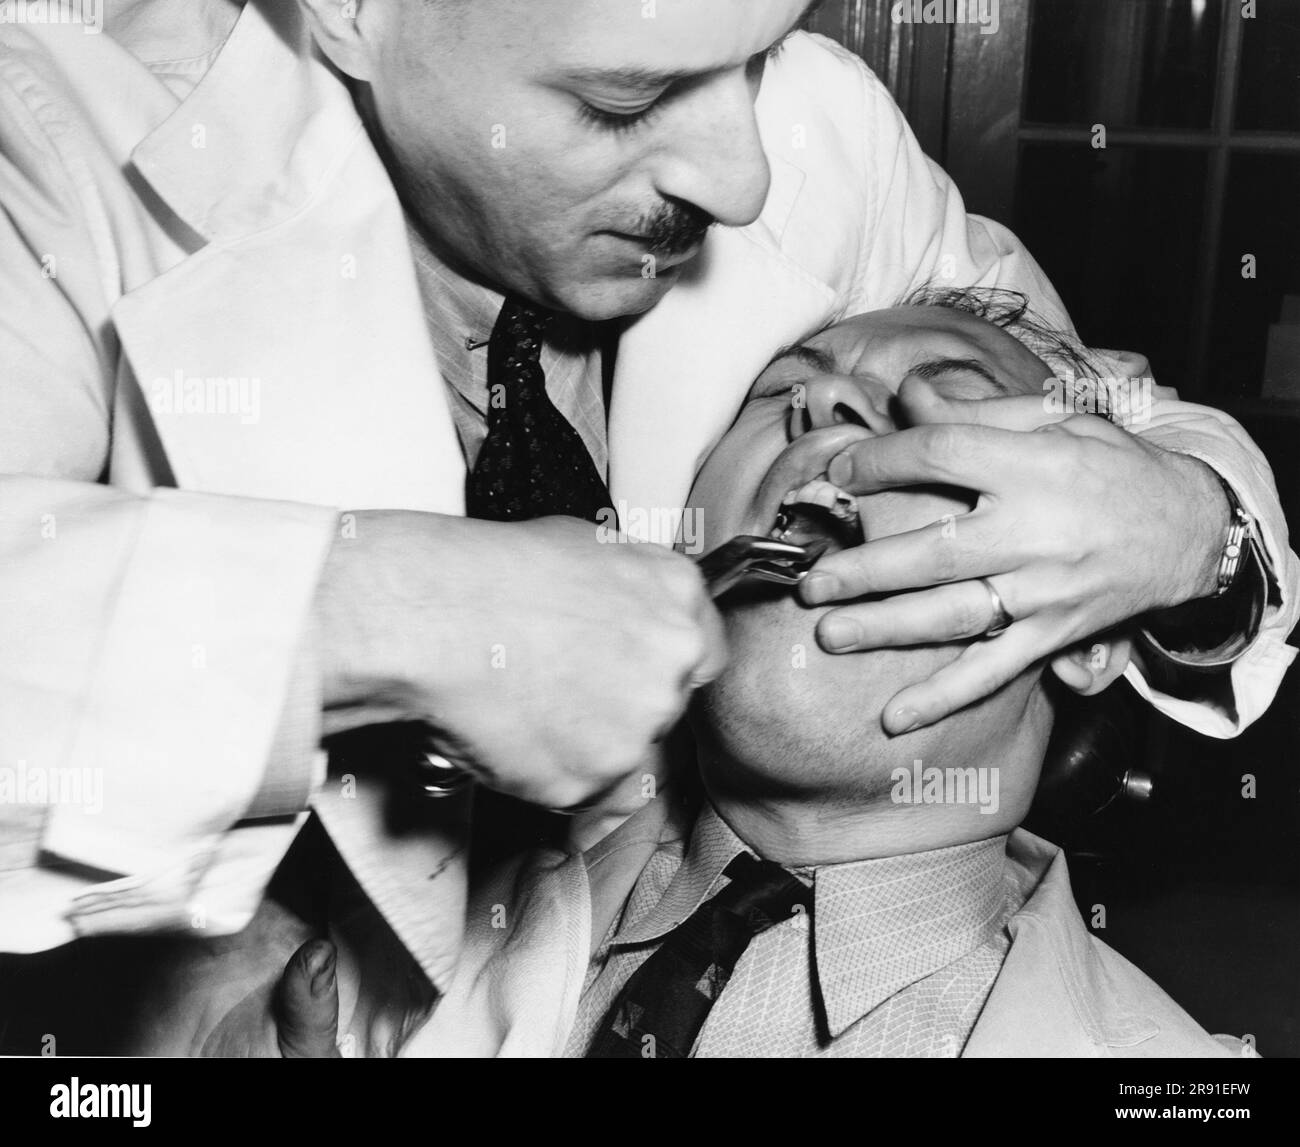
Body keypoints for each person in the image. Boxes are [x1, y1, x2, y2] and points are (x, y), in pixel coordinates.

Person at [1, 0, 1294, 1037]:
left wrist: (1192, 532)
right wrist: (377, 618)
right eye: (625, 100)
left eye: (759, 55)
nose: (739, 182)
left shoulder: (798, 133)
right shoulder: (54, 147)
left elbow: (1077, 401)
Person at [138, 293, 1262, 1057]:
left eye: (948, 395)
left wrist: (1197, 529)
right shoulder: (382, 967)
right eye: (783, 388)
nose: (820, 410)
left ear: (1091, 624)